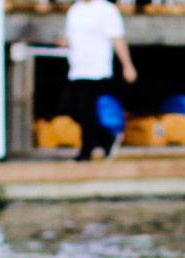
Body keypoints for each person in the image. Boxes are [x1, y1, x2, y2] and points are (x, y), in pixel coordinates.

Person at [61, 0, 137, 162]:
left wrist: (127, 65)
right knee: (74, 110)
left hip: (97, 70)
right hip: (77, 70)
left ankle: (86, 151)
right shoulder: (75, 10)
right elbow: (71, 38)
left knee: (87, 112)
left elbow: (117, 39)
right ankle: (107, 138)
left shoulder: (107, 10)